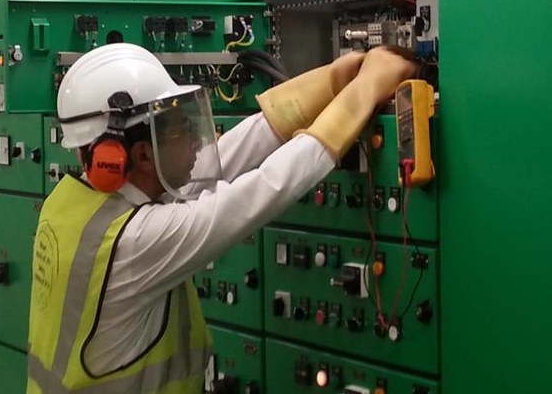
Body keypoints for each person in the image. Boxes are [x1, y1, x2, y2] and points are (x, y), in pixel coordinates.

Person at [26, 43, 416, 394]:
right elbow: (266, 189)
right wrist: (361, 95)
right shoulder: (134, 242)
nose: (198, 141)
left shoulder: (74, 203)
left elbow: (220, 162)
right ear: (143, 155)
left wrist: (329, 82)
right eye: (181, 129)